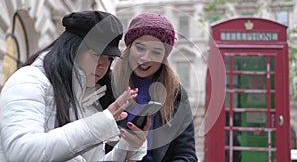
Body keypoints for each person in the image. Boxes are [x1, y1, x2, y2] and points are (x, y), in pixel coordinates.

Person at [0, 11, 150, 162]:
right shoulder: (29, 80)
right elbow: (21, 153)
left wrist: (128, 148)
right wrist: (101, 122)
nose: (103, 65)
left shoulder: (88, 98)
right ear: (72, 49)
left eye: (109, 58)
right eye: (96, 54)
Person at [105, 12, 198, 161]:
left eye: (156, 52)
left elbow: (186, 155)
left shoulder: (176, 94)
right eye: (140, 48)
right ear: (129, 47)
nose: (146, 57)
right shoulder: (107, 84)